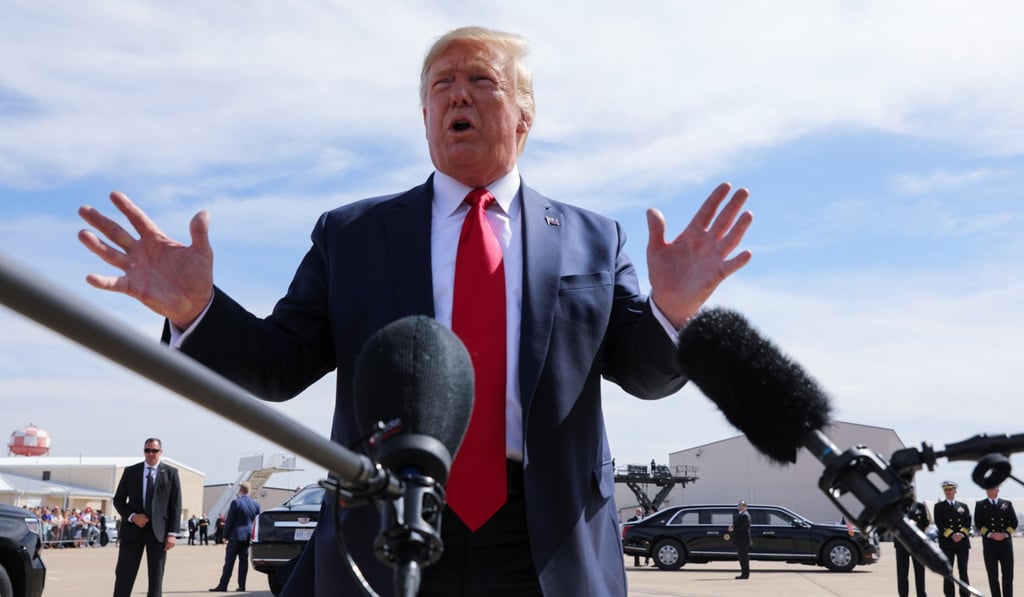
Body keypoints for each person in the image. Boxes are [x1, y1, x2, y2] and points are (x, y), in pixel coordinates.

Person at [77, 25, 753, 597]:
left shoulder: (593, 238)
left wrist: (671, 311)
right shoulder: (352, 236)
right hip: (387, 521)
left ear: (525, 113)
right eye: (440, 84)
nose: (457, 93)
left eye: (481, 80)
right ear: (425, 116)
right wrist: (199, 310)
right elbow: (279, 366)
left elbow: (643, 371)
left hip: (546, 539)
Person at [111, 438, 182, 597]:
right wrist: (132, 516)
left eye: (154, 451)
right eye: (147, 450)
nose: (151, 454)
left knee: (156, 579)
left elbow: (175, 505)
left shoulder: (171, 474)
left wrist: (172, 533)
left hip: (158, 533)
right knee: (124, 575)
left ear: (160, 452)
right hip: (133, 530)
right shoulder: (131, 472)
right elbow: (118, 500)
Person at [209, 482, 261, 592]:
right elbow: (256, 521)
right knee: (243, 562)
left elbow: (230, 521)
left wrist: (224, 536)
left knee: (229, 562)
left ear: (240, 491)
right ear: (249, 491)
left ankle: (223, 585)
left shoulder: (236, 503)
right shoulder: (256, 504)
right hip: (247, 537)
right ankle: (242, 586)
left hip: (235, 536)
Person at [974, 484, 1016, 597]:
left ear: (998, 490)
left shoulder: (1006, 503)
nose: (989, 490)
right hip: (989, 545)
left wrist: (1005, 534)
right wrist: (990, 534)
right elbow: (978, 523)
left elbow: (1014, 522)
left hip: (1005, 544)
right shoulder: (980, 505)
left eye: (992, 488)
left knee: (1008, 574)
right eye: (988, 488)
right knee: (993, 575)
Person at [934, 480, 972, 597]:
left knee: (963, 571)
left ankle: (965, 594)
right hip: (947, 543)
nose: (948, 492)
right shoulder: (939, 506)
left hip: (962, 543)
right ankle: (949, 594)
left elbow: (967, 522)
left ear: (955, 491)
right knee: (948, 571)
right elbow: (939, 523)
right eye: (946, 490)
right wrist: (952, 535)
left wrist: (960, 534)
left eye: (950, 489)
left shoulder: (963, 506)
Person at [895, 487, 930, 597]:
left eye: (912, 492)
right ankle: (903, 595)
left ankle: (921, 594)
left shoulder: (920, 506)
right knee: (902, 572)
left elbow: (925, 522)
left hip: (917, 544)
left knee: (920, 571)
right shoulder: (896, 507)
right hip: (901, 543)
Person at [728, 500, 751, 579]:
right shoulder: (741, 514)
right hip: (740, 540)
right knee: (742, 558)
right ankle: (743, 573)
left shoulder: (745, 515)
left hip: (743, 540)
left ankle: (745, 574)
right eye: (739, 506)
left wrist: (733, 529)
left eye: (741, 506)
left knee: (744, 558)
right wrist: (733, 526)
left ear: (745, 507)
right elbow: (738, 524)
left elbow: (744, 528)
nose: (739, 507)